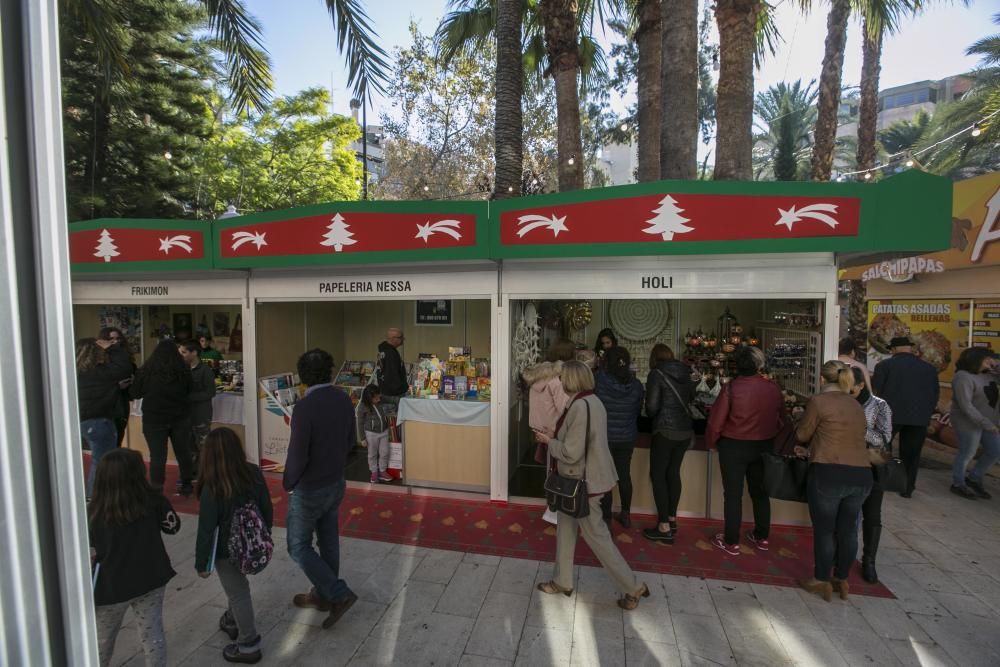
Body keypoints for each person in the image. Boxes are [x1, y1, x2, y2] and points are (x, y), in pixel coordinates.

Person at [533, 361, 650, 610]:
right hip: (580, 480)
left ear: (571, 380)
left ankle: (633, 587)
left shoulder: (581, 406)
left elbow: (571, 452)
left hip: (582, 482)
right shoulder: (590, 401)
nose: (560, 381)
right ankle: (561, 580)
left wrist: (548, 441)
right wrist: (556, 436)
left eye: (563, 376)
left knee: (597, 537)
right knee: (565, 529)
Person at [284, 349, 358, 629]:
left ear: (302, 376)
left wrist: (289, 481)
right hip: (335, 481)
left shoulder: (304, 407)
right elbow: (351, 440)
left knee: (298, 545)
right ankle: (324, 594)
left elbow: (298, 453)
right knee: (328, 539)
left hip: (309, 486)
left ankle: (337, 593)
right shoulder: (343, 398)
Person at [89, 449, 181, 667]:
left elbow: (90, 553)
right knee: (153, 634)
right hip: (151, 579)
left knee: (102, 641)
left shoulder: (93, 512)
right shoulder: (153, 501)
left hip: (111, 588)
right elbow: (173, 527)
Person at [795, 361, 872, 602]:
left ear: (821, 380)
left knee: (825, 530)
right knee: (848, 529)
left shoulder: (819, 402)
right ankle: (841, 579)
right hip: (861, 473)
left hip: (829, 471)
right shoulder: (856, 404)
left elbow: (802, 434)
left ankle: (820, 580)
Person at [195, 427, 272, 664]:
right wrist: (263, 534)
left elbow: (207, 529)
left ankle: (249, 645)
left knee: (238, 592)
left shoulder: (213, 485)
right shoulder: (253, 473)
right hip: (251, 544)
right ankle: (231, 619)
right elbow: (266, 507)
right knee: (236, 587)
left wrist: (201, 563)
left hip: (225, 550)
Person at [706, 346, 784, 556]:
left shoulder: (731, 389)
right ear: (759, 365)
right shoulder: (773, 388)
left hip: (733, 446)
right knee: (760, 493)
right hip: (763, 446)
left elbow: (716, 423)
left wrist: (712, 442)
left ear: (737, 365)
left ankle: (732, 541)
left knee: (733, 495)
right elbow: (781, 419)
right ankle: (762, 536)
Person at [872, 336, 940, 497]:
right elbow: (935, 394)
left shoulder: (884, 365)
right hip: (918, 417)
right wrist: (927, 414)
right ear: (909, 348)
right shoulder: (929, 368)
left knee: (882, 449)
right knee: (912, 454)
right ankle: (907, 488)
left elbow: (876, 392)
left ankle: (882, 481)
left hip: (889, 416)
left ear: (893, 349)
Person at [643, 344, 694, 544]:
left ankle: (663, 527)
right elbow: (692, 397)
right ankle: (672, 519)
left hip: (664, 430)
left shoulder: (656, 374)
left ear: (654, 358)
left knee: (658, 475)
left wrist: (650, 412)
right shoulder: (685, 371)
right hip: (684, 431)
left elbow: (652, 407)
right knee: (673, 473)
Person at [131, 339, 195, 496]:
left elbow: (135, 393)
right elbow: (190, 390)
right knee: (183, 452)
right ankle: (187, 484)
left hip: (154, 417)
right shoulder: (183, 369)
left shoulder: (146, 371)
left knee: (157, 455)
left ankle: (157, 488)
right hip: (180, 416)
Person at [523, 338, 575, 524]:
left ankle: (551, 506)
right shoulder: (556, 379)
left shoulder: (538, 375)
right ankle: (554, 509)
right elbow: (564, 408)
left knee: (550, 469)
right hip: (554, 431)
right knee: (559, 471)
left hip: (540, 429)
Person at [849, 366, 893, 584]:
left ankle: (869, 561)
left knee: (872, 516)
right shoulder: (841, 402)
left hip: (872, 467)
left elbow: (884, 439)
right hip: (847, 464)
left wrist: (858, 427)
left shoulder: (880, 405)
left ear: (860, 385)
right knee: (847, 514)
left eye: (850, 387)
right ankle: (843, 557)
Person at [77, 336, 134, 496]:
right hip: (100, 421)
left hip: (82, 421)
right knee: (102, 463)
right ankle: (96, 498)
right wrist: (113, 348)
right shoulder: (101, 372)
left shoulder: (76, 372)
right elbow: (125, 366)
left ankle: (93, 498)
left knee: (97, 461)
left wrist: (114, 386)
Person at [595, 346, 644, 528]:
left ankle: (606, 516)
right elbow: (638, 411)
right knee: (624, 475)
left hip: (604, 436)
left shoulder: (599, 380)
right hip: (626, 436)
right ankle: (626, 513)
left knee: (605, 476)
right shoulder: (636, 385)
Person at [949, 348, 1000, 500]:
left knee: (995, 451)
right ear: (976, 360)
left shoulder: (990, 374)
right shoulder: (963, 377)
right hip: (968, 422)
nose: (991, 362)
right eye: (987, 359)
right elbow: (966, 406)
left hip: (988, 422)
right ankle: (958, 483)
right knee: (968, 453)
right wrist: (985, 423)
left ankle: (974, 478)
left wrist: (996, 366)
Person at [180, 339, 216, 472]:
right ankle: (192, 472)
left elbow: (210, 392)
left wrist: (188, 397)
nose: (181, 355)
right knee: (188, 445)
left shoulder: (205, 370)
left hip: (201, 414)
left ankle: (208, 472)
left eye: (184, 352)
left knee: (204, 445)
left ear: (194, 353)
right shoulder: (181, 369)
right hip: (185, 415)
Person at [99, 326, 135, 447]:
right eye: (111, 339)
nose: (115, 341)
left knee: (119, 436)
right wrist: (116, 386)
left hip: (122, 401)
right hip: (107, 405)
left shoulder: (125, 356)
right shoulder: (99, 359)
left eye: (117, 338)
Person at [357, 385, 392, 484]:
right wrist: (362, 438)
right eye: (376, 398)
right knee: (372, 454)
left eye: (379, 396)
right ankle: (374, 472)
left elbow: (391, 399)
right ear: (369, 398)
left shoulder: (380, 400)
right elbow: (360, 422)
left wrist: (401, 400)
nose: (379, 399)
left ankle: (382, 470)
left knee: (384, 452)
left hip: (384, 432)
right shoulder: (362, 406)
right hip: (371, 434)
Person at [375, 327, 409, 411]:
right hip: (393, 394)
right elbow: (392, 373)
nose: (403, 339)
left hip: (385, 390)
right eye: (401, 337)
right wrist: (402, 388)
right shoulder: (390, 353)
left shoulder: (383, 351)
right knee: (395, 418)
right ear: (394, 339)